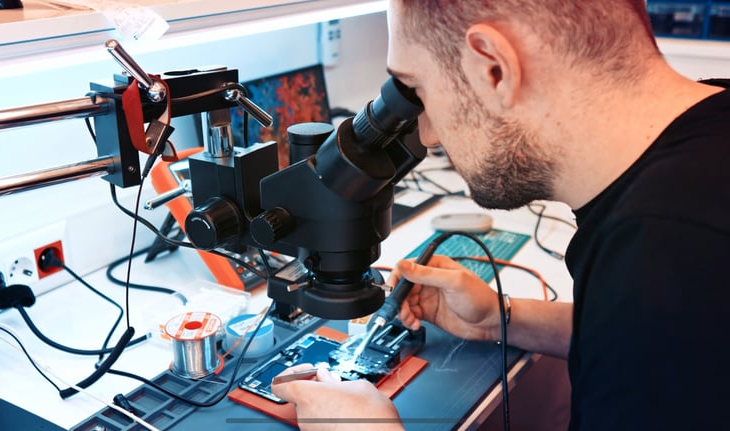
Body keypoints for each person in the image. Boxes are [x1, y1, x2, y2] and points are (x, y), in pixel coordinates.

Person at [271, 0, 730, 429]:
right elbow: (651, 346)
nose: (427, 135)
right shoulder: (706, 143)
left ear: (493, 67)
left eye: (418, 91)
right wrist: (501, 317)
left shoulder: (669, 251)